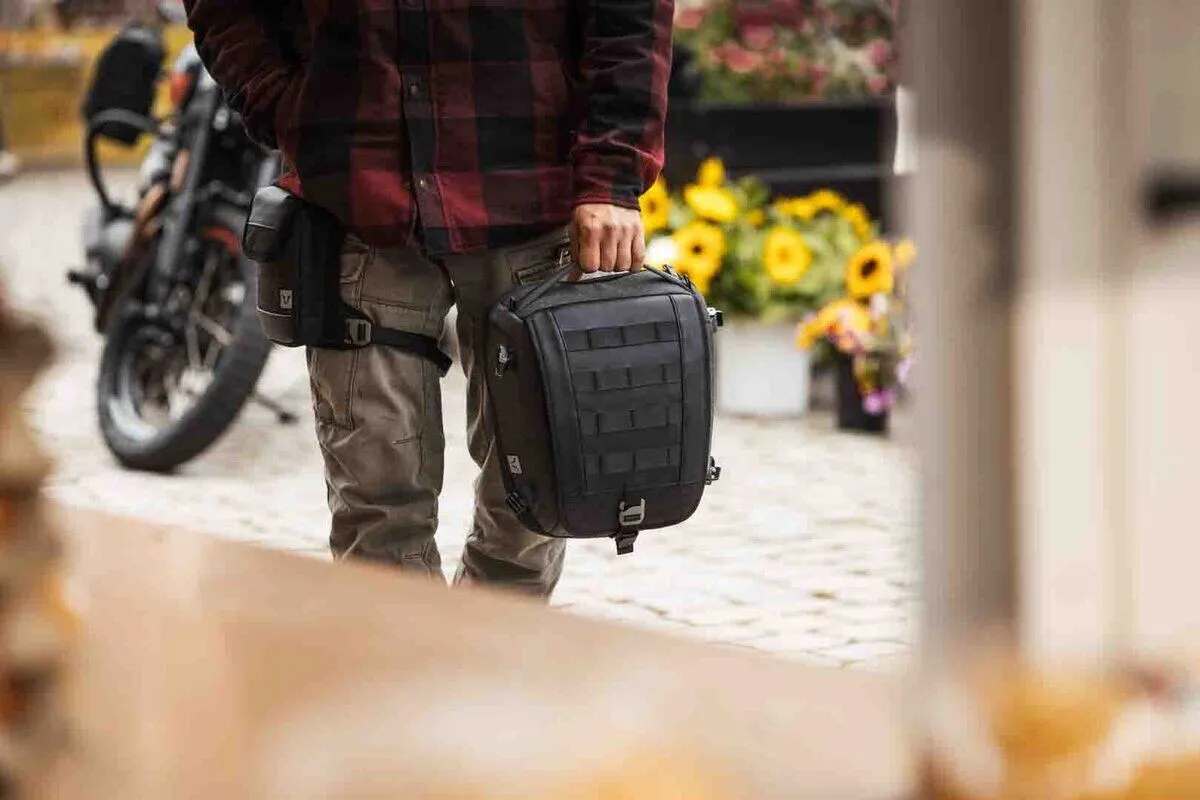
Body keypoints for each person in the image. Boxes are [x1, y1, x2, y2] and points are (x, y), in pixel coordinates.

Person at [183, 0, 674, 598]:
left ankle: (491, 649)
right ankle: (405, 652)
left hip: (529, 183)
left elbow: (631, 16)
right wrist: (285, 106)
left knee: (534, 496)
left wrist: (612, 176)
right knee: (374, 499)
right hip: (358, 194)